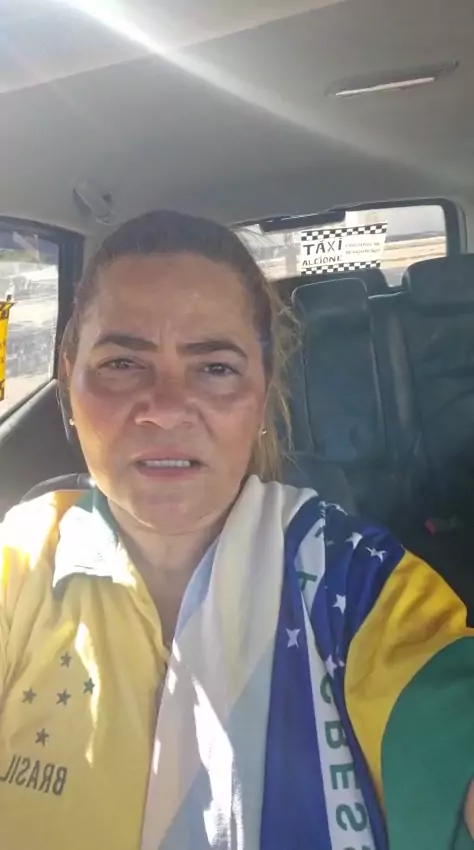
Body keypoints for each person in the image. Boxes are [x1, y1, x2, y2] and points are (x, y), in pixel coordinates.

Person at [0, 210, 473, 850]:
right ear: (68, 376)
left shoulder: (361, 584)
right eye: (122, 364)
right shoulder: (22, 558)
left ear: (263, 392)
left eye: (215, 368)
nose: (166, 410)